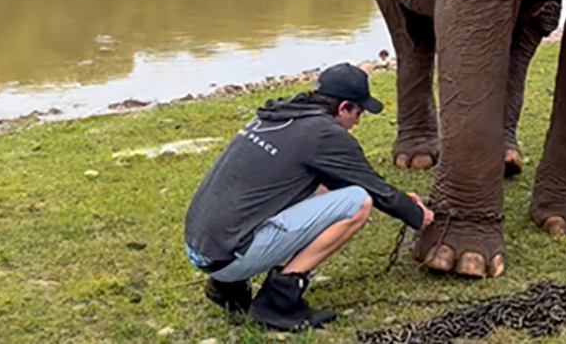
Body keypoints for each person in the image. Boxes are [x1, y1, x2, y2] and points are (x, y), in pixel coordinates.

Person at [183, 63, 434, 332]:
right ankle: (277, 302)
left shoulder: (277, 116)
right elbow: (372, 189)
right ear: (343, 107)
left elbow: (339, 182)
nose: (358, 122)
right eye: (358, 113)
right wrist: (418, 216)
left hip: (202, 249)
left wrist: (401, 199)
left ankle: (227, 288)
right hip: (228, 257)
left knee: (323, 188)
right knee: (358, 202)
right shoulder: (324, 134)